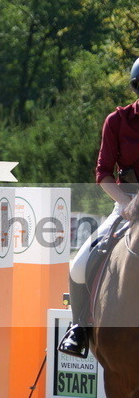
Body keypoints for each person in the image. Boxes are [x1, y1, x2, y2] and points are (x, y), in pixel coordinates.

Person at [58, 56, 139, 358]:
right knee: (79, 265)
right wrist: (126, 204)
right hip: (127, 203)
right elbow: (103, 172)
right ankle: (79, 328)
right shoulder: (117, 121)